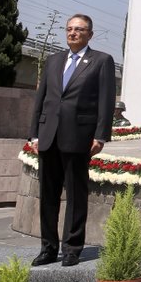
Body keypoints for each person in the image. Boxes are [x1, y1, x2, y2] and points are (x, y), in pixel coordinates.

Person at [28, 14, 116, 266]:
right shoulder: (54, 60)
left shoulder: (101, 61)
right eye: (69, 29)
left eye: (79, 29)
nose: (73, 33)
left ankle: (72, 248)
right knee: (48, 195)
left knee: (76, 196)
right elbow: (42, 98)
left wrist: (100, 135)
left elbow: (106, 100)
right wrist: (34, 133)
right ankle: (48, 248)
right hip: (49, 136)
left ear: (90, 34)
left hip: (79, 137)